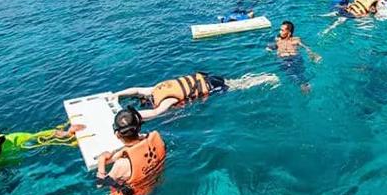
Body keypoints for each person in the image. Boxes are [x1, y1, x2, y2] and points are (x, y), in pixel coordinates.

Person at [114, 71, 280, 119]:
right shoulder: (154, 89)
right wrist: (116, 95)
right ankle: (262, 76)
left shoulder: (167, 99)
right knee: (235, 82)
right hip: (206, 77)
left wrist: (132, 116)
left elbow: (156, 113)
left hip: (212, 85)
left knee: (239, 86)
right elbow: (135, 90)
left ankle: (266, 78)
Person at [96, 107, 166, 195]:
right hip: (157, 184)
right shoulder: (156, 138)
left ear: (117, 135)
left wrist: (101, 159)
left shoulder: (121, 164)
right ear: (138, 127)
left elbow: (100, 183)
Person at [268, 21, 321, 92]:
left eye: (282, 30)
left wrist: (312, 54)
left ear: (289, 32)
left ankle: (305, 85)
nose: (280, 32)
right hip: (284, 60)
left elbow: (306, 47)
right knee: (291, 73)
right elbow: (271, 47)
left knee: (300, 72)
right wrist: (270, 50)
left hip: (296, 58)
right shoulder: (278, 39)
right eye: (280, 30)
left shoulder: (296, 40)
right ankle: (303, 85)